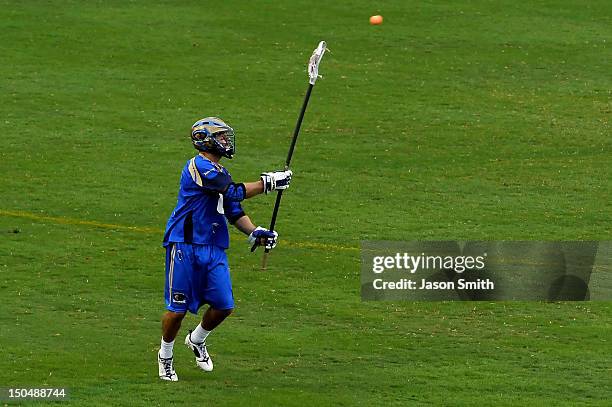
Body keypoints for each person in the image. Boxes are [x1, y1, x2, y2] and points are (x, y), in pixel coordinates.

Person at [157, 117, 292, 381]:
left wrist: (255, 231)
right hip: (185, 244)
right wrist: (269, 183)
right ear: (205, 140)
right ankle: (165, 356)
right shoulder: (198, 166)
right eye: (220, 137)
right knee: (177, 310)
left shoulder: (219, 172)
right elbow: (232, 192)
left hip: (214, 247)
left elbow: (232, 209)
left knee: (224, 305)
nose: (225, 141)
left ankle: (196, 340)